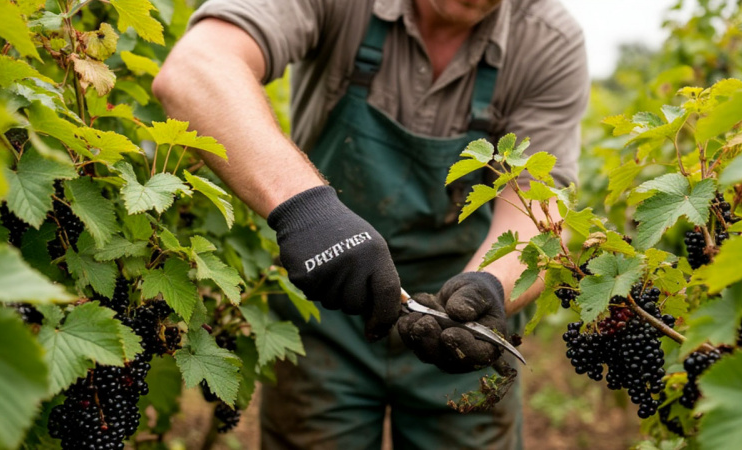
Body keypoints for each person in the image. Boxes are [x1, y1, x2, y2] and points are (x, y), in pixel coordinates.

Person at [153, 0, 588, 447]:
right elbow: (196, 66)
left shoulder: (548, 40)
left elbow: (542, 202)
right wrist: (307, 210)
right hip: (326, 312)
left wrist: (494, 287)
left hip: (458, 330)